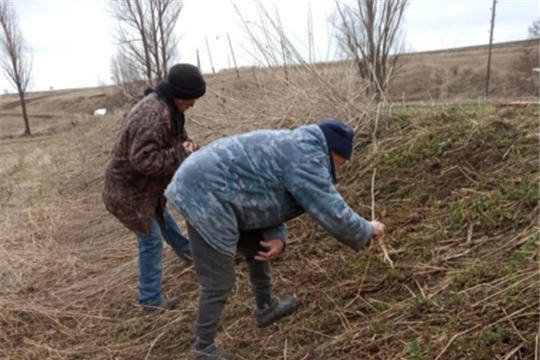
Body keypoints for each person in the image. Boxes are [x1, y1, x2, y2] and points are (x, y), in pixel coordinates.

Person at [164, 119, 386, 359]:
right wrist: (367, 229)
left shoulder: (298, 148)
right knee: (218, 279)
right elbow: (331, 210)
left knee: (257, 245)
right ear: (333, 151)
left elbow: (267, 194)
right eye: (341, 162)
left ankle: (266, 307)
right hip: (205, 191)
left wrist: (277, 236)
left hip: (220, 188)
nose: (339, 169)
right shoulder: (308, 158)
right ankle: (204, 347)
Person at [102, 63, 206, 311]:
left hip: (144, 190)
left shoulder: (168, 107)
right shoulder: (153, 115)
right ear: (181, 95)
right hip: (129, 193)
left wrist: (190, 148)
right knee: (151, 241)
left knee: (165, 221)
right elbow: (143, 160)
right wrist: (181, 153)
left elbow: (176, 139)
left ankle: (191, 255)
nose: (193, 105)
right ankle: (150, 300)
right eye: (192, 99)